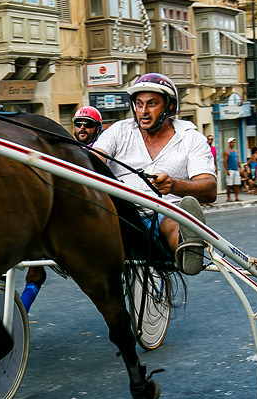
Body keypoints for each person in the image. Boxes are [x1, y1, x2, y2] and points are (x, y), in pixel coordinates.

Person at [94, 73, 216, 276]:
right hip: (122, 215)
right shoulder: (119, 131)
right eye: (139, 104)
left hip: (166, 215)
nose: (143, 112)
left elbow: (210, 189)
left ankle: (187, 245)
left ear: (169, 106)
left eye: (152, 104)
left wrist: (174, 185)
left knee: (172, 220)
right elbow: (94, 159)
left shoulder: (191, 138)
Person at [20, 105, 104, 309]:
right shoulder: (65, 149)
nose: (82, 128)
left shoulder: (104, 149)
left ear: (98, 128)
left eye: (89, 125)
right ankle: (20, 309)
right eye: (78, 124)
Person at [224, 137, 241, 202]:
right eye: (232, 142)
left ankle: (236, 197)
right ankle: (228, 197)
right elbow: (225, 161)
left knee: (237, 184)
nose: (233, 143)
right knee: (229, 184)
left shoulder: (235, 151)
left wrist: (239, 167)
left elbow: (237, 160)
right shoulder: (227, 152)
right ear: (229, 143)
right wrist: (227, 170)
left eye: (234, 142)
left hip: (236, 169)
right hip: (230, 169)